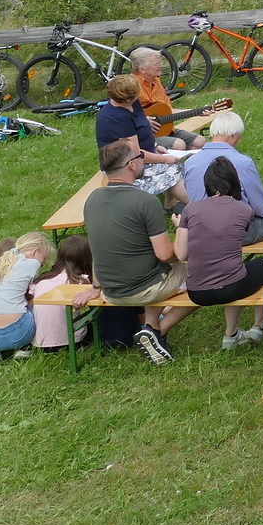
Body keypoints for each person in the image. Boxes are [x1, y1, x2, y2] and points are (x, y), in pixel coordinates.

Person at [83, 140, 191, 363]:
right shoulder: (145, 201)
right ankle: (157, 331)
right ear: (131, 165)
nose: (144, 159)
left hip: (110, 290)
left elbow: (97, 247)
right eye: (140, 156)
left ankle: (150, 327)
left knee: (157, 270)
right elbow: (166, 255)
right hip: (143, 288)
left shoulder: (92, 200)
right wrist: (181, 231)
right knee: (208, 278)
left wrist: (95, 286)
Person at [177, 156, 263, 348]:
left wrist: (179, 226)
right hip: (232, 285)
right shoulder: (244, 210)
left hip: (197, 291)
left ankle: (231, 335)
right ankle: (258, 326)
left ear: (207, 183)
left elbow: (181, 254)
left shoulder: (191, 209)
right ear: (235, 182)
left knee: (239, 268)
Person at [178, 110, 263, 244]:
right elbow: (259, 207)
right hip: (236, 230)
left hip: (201, 229)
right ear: (234, 136)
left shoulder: (190, 163)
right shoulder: (243, 162)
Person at [94, 74, 188, 205]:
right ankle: (194, 208)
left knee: (174, 166)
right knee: (173, 169)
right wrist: (164, 159)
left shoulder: (132, 103)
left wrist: (155, 145)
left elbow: (142, 128)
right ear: (128, 98)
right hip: (124, 165)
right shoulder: (116, 118)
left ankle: (173, 204)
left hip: (142, 154)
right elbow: (135, 153)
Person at [0, 231, 54, 359]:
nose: (43, 264)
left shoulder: (1, 262)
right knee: (35, 304)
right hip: (18, 334)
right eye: (43, 258)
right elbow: (32, 293)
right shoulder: (32, 264)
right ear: (34, 252)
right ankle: (24, 347)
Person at [126, 46, 211, 141]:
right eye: (157, 64)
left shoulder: (156, 82)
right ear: (142, 69)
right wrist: (143, 120)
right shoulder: (130, 85)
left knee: (200, 141)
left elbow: (169, 110)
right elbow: (121, 113)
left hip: (164, 130)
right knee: (178, 144)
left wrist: (197, 112)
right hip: (141, 136)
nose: (161, 65)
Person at [30, 235, 95, 354]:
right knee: (94, 322)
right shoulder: (80, 281)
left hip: (39, 343)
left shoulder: (42, 280)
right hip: (70, 342)